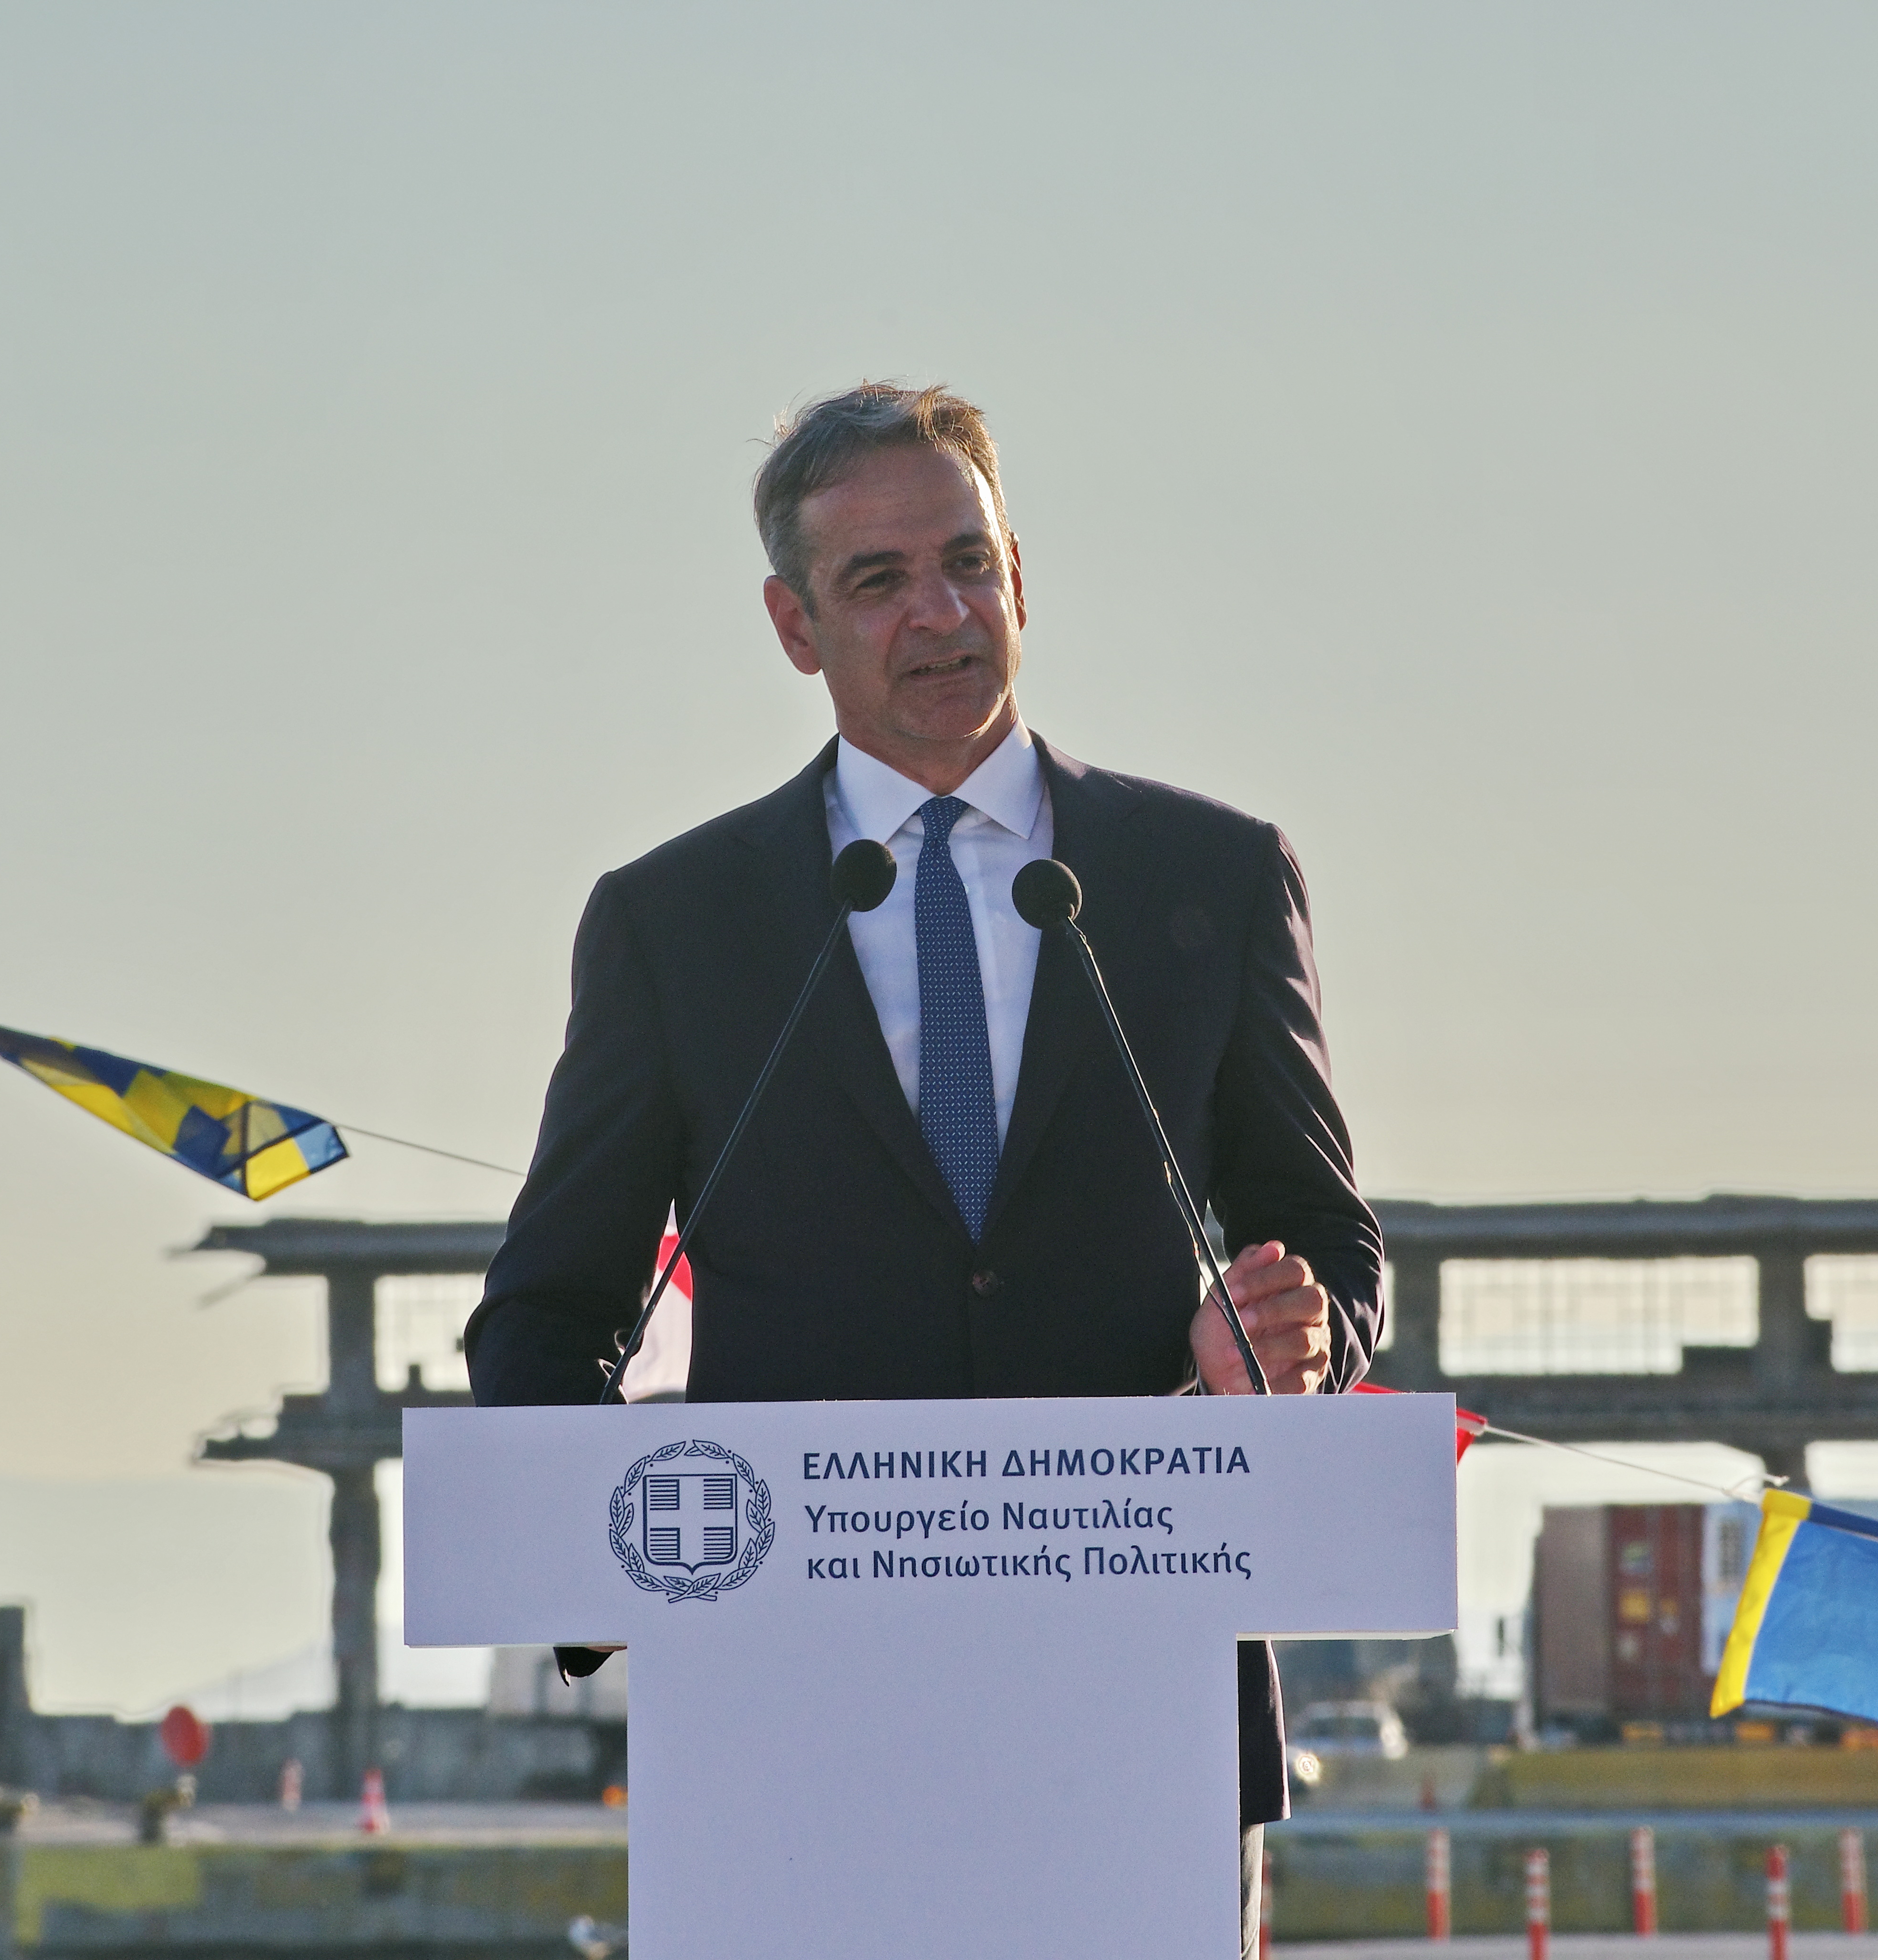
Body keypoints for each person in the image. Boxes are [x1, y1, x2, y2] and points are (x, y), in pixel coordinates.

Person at [466, 382, 1381, 1953]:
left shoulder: (1212, 875)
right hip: (783, 1707)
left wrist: (1292, 1343)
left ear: (1021, 576)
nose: (940, 614)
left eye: (966, 563)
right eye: (880, 581)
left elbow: (1326, 1244)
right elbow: (549, 1312)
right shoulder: (675, 921)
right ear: (795, 626)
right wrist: (598, 1573)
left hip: (1140, 1696)